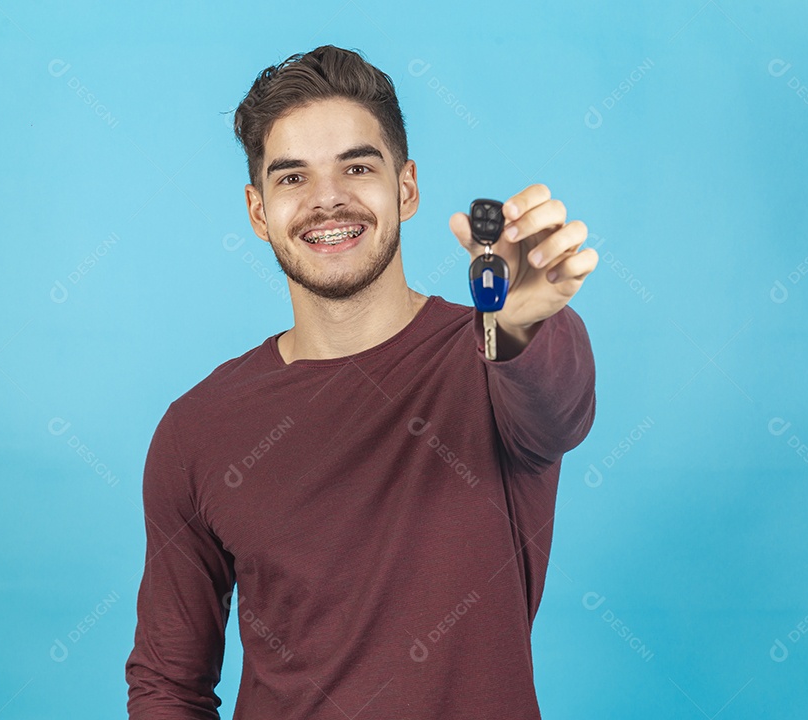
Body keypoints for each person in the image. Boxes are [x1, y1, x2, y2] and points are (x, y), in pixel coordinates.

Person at [125, 44, 598, 719]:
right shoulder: (196, 430)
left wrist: (516, 330)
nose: (327, 200)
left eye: (356, 166)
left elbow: (559, 407)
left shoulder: (489, 362)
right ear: (258, 213)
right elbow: (168, 683)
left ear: (405, 188)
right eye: (292, 178)